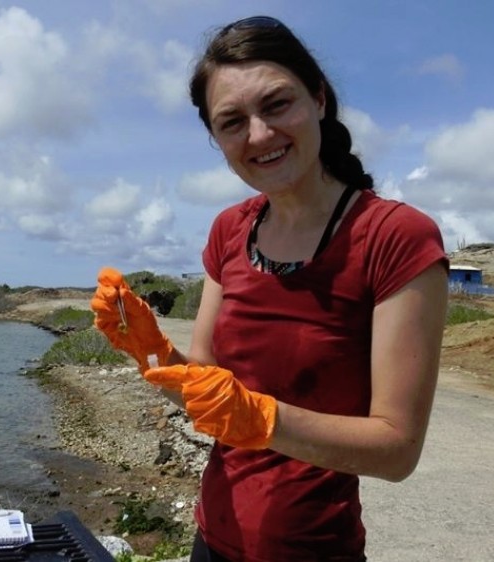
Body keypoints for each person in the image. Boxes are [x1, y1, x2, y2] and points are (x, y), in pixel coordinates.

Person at [91, 15, 448, 562]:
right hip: (211, 539)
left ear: (320, 100)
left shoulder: (395, 237)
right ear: (216, 139)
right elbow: (207, 394)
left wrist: (263, 419)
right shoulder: (229, 231)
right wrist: (151, 351)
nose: (258, 134)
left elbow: (396, 450)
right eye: (232, 121)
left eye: (277, 104)